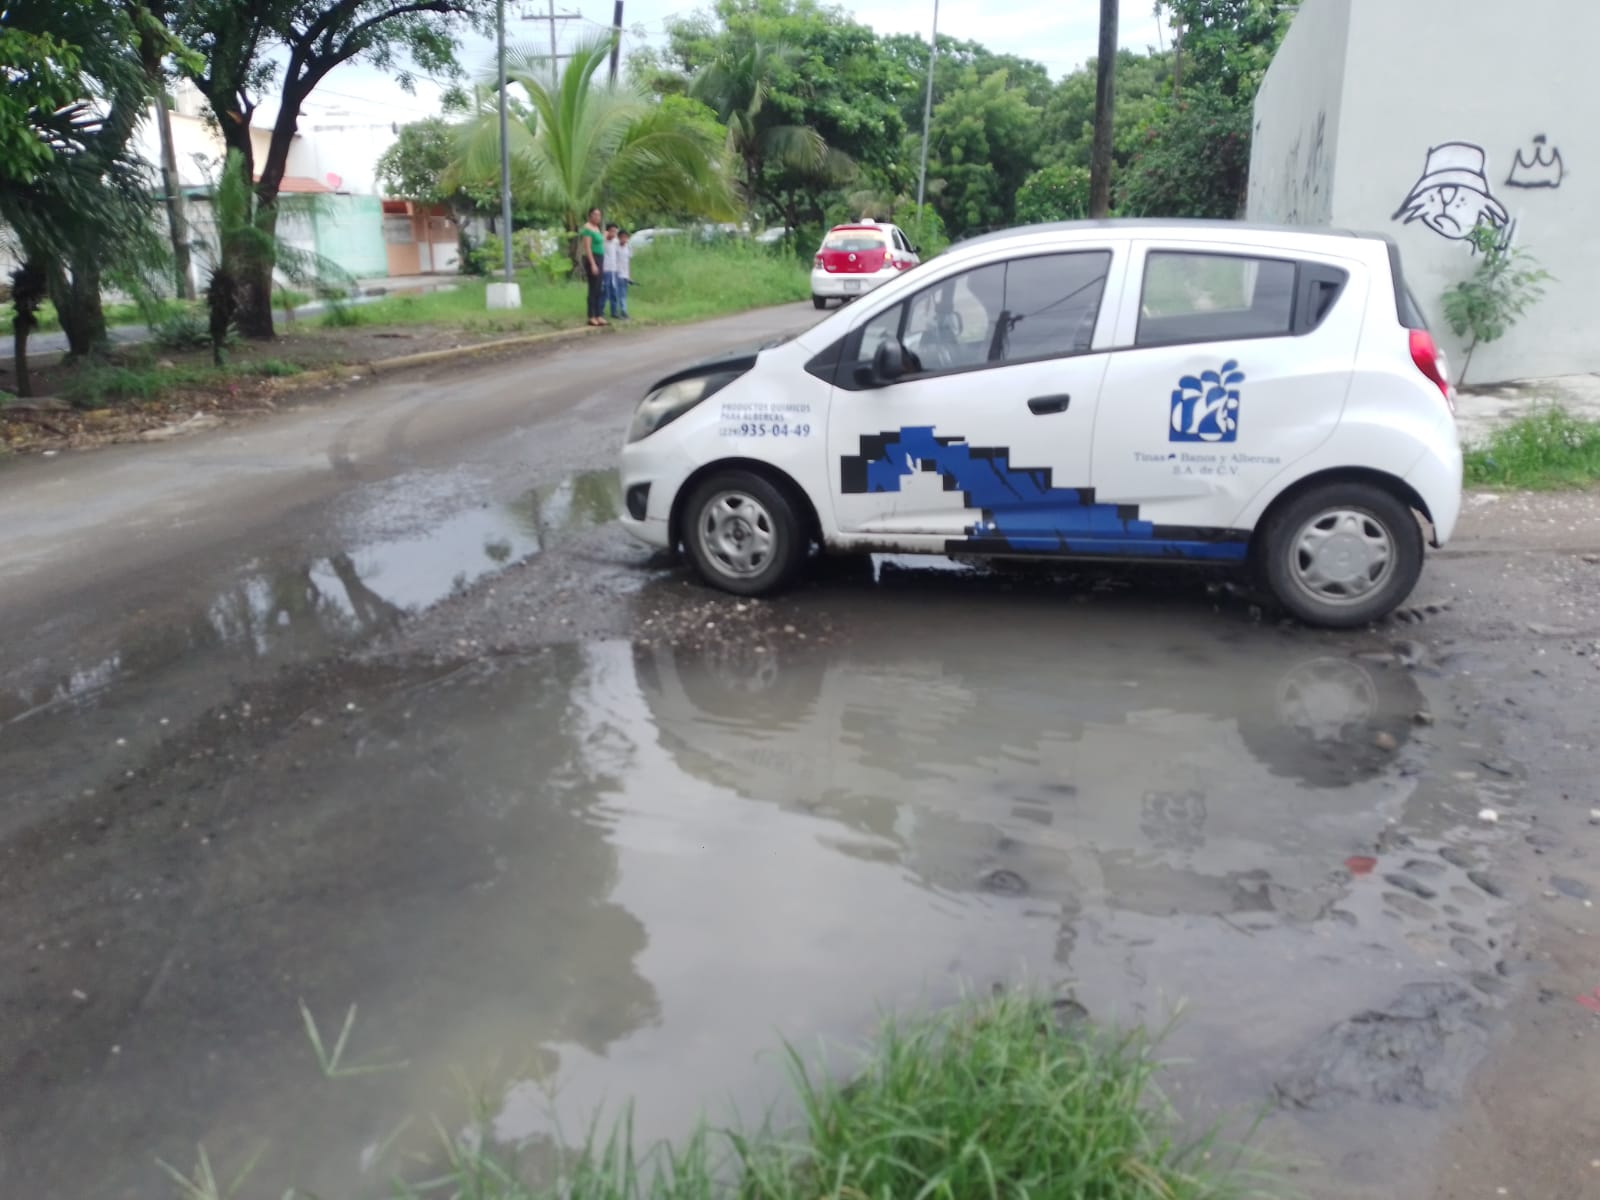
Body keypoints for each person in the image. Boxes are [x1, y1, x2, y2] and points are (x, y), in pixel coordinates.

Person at [580, 207, 606, 326]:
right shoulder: (587, 228)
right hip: (593, 258)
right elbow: (588, 248)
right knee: (593, 288)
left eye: (599, 215)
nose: (597, 217)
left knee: (599, 289)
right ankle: (591, 315)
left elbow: (601, 243)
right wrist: (593, 264)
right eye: (595, 215)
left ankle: (598, 314)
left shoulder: (597, 228)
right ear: (590, 215)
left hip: (600, 258)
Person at [607, 228, 632, 320]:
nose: (624, 240)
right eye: (622, 237)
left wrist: (629, 275)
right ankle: (616, 311)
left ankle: (624, 311)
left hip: (625, 274)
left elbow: (628, 262)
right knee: (616, 294)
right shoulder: (615, 246)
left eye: (626, 238)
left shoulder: (628, 247)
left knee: (623, 294)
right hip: (616, 273)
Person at [601, 223, 621, 320]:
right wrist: (604, 237)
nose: (613, 233)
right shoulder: (603, 241)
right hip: (605, 269)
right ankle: (600, 311)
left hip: (614, 270)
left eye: (615, 231)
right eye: (612, 231)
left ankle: (614, 311)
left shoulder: (616, 242)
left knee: (614, 292)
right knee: (605, 291)